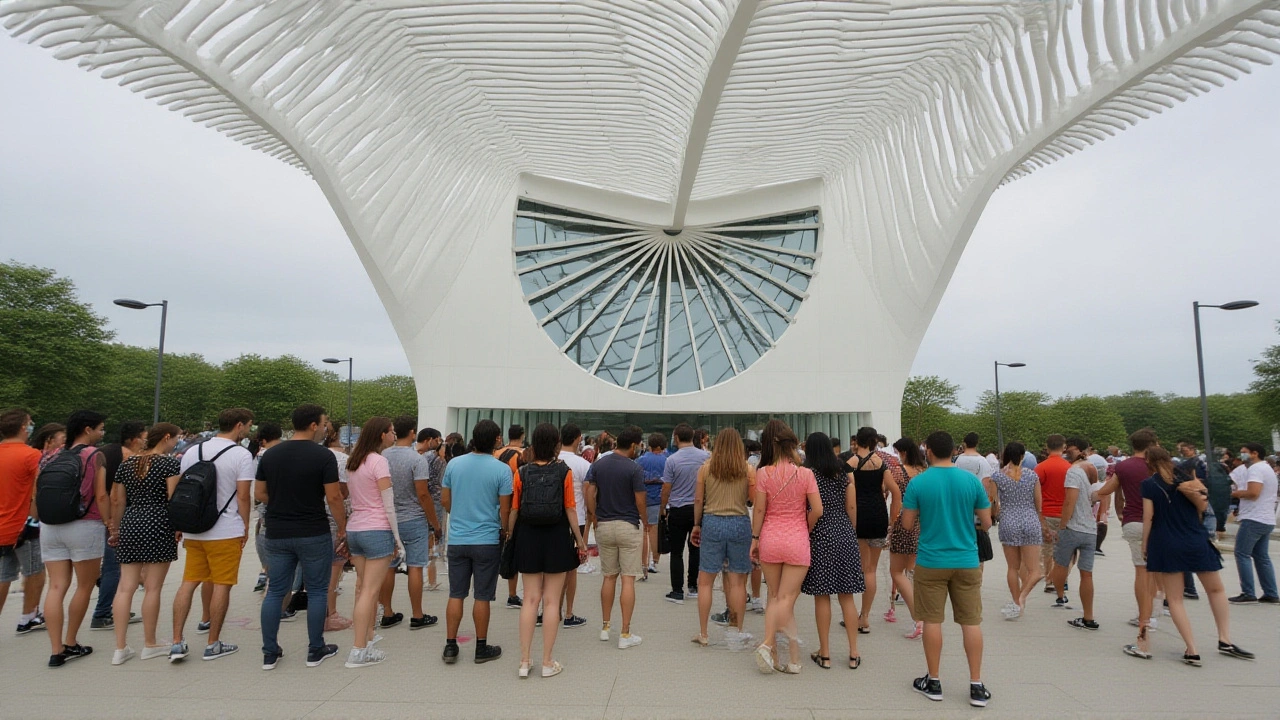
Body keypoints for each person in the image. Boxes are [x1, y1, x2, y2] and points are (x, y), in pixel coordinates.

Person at [1129, 447, 1254, 664]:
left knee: (1175, 599)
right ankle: (1225, 638)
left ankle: (1192, 648)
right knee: (1216, 589)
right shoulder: (1187, 479)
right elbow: (1202, 509)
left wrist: (1145, 544)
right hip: (1194, 538)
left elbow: (1149, 517)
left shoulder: (1149, 484)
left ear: (1148, 463)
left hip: (1166, 540)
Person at [900, 431, 993, 708]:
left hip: (931, 560)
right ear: (954, 451)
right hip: (966, 560)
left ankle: (934, 680)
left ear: (927, 451)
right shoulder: (970, 481)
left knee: (932, 621)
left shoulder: (919, 483)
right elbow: (987, 523)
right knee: (971, 622)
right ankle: (976, 684)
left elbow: (907, 524)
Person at [256, 404, 347, 670]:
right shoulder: (323, 456)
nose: (326, 427)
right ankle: (315, 648)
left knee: (275, 591)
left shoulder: (270, 455)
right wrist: (342, 527)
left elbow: (260, 493)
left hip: (278, 531)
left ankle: (270, 652)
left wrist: (284, 501)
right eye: (325, 423)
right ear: (313, 425)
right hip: (312, 530)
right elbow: (333, 496)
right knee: (318, 590)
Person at [169, 408, 255, 663]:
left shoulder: (193, 451)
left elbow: (179, 488)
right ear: (239, 426)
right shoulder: (241, 455)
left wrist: (179, 523)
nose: (250, 429)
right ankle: (213, 643)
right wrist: (245, 526)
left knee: (189, 582)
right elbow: (242, 496)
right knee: (222, 584)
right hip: (225, 529)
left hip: (194, 528)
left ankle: (176, 642)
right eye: (249, 425)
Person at [509, 423, 588, 677]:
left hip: (528, 537)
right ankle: (546, 661)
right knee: (552, 601)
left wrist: (510, 535)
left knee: (530, 598)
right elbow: (570, 509)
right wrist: (580, 541)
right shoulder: (563, 472)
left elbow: (514, 508)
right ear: (556, 444)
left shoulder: (521, 472)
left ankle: (524, 661)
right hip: (556, 538)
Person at [750, 419, 822, 675]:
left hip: (770, 536)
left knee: (775, 597)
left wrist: (755, 538)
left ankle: (774, 652)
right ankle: (790, 657)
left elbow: (759, 508)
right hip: (797, 539)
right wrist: (804, 525)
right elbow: (818, 509)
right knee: (787, 599)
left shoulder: (763, 473)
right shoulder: (805, 474)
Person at [107, 422, 181, 664]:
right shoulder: (169, 463)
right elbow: (173, 498)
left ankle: (120, 647)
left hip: (131, 521)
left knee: (125, 587)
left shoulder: (126, 465)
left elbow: (116, 499)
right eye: (175, 439)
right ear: (167, 437)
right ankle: (150, 643)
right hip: (159, 521)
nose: (176, 443)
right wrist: (178, 526)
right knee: (153, 587)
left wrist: (115, 528)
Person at [41, 410, 110, 667]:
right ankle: (71, 641)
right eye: (100, 428)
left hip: (50, 526)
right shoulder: (94, 455)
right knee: (84, 586)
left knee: (56, 587)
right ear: (88, 429)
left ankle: (56, 649)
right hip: (84, 525)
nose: (102, 433)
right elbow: (101, 495)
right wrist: (109, 524)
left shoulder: (51, 456)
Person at [441, 420, 512, 665]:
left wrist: (458, 513)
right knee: (482, 595)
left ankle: (450, 645)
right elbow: (505, 509)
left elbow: (445, 500)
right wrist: (505, 529)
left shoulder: (454, 464)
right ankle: (481, 647)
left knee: (456, 593)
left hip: (459, 538)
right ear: (495, 440)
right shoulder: (501, 470)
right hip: (487, 539)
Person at [341, 417, 402, 668]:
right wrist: (397, 538)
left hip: (356, 528)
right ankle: (358, 649)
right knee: (370, 591)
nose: (394, 435)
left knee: (361, 587)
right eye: (391, 431)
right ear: (381, 435)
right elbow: (388, 503)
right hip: (376, 529)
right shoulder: (379, 462)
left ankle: (366, 637)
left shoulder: (354, 462)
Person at [800, 432, 862, 670]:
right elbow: (851, 505)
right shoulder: (843, 473)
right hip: (844, 532)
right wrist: (851, 532)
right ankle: (854, 653)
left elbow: (810, 508)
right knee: (847, 596)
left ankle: (825, 654)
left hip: (820, 535)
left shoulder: (809, 474)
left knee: (822, 595)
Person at [690, 428, 755, 647]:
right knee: (737, 582)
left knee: (705, 581)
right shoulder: (747, 469)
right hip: (739, 522)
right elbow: (752, 500)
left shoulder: (705, 469)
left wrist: (696, 525)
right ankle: (736, 631)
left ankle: (703, 632)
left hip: (712, 521)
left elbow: (699, 500)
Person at [585, 427, 645, 649]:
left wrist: (594, 515)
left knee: (608, 576)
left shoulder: (599, 465)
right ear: (632, 446)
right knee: (628, 578)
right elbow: (640, 500)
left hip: (605, 524)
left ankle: (605, 626)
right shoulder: (634, 468)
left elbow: (590, 492)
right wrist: (645, 520)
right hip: (627, 524)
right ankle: (625, 633)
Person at [1095, 429, 1160, 632]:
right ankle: (1154, 611)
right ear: (1152, 444)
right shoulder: (1160, 466)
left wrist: (1089, 496)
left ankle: (1143, 616)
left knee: (1141, 571)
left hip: (1134, 521)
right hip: (1161, 522)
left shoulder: (1124, 466)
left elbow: (1106, 490)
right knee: (1155, 571)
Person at [384, 415, 442, 630]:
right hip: (414, 518)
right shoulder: (417, 459)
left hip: (390, 518)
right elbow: (423, 494)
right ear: (412, 432)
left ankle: (387, 612)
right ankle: (417, 615)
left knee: (389, 566)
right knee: (416, 566)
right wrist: (435, 524)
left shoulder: (383, 456)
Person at [846, 426, 901, 633]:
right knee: (871, 570)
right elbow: (895, 492)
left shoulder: (850, 464)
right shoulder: (882, 464)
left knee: (860, 568)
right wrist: (893, 519)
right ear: (874, 442)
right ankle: (865, 616)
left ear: (857, 441)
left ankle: (854, 614)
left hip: (857, 518)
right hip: (878, 516)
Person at [91, 420, 146, 631]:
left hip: (99, 516)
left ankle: (112, 608)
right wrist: (115, 524)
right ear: (134, 439)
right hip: (115, 517)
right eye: (144, 437)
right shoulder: (128, 458)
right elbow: (116, 496)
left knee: (114, 567)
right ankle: (103, 612)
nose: (145, 441)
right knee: (114, 568)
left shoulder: (105, 452)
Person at [0, 409, 46, 636]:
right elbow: (39, 489)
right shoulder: (31, 456)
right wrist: (33, 520)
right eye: (29, 423)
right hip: (22, 525)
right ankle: (29, 616)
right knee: (35, 571)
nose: (31, 426)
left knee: (4, 575)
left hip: (2, 525)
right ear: (21, 427)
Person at [990, 442, 1043, 620]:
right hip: (1029, 519)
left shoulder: (997, 476)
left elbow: (993, 502)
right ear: (1022, 456)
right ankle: (1022, 597)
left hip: (1009, 520)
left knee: (1012, 567)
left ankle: (1016, 602)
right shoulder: (1032, 475)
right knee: (1034, 570)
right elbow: (1038, 502)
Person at [660, 423, 709, 604]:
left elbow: (666, 487)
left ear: (677, 438)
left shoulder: (672, 460)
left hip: (678, 508)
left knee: (677, 551)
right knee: (695, 548)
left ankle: (677, 590)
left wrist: (662, 508)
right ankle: (693, 586)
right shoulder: (705, 457)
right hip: (699, 508)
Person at [1054, 438, 1100, 630]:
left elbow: (1069, 501)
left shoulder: (1073, 472)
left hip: (1073, 527)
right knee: (1086, 574)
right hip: (1090, 529)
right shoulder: (1091, 469)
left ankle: (1060, 595)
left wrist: (1062, 525)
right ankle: (1088, 616)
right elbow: (1096, 495)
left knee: (1061, 564)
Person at [1228, 442, 1278, 604]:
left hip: (1254, 517)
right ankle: (1271, 592)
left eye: (1244, 452)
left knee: (1242, 553)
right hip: (1266, 518)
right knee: (1261, 556)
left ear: (1254, 453)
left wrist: (1234, 494)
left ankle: (1248, 592)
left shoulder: (1256, 469)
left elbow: (1253, 492)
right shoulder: (1267, 468)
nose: (1241, 455)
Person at [889, 438, 925, 639]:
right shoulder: (924, 471)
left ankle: (917, 617)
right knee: (910, 570)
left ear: (902, 451)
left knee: (896, 572)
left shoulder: (898, 472)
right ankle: (919, 615)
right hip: (921, 522)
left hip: (904, 520)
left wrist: (892, 524)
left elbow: (895, 499)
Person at [555, 423, 590, 627]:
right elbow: (588, 494)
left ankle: (549, 609)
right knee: (571, 568)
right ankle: (568, 613)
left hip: (551, 518)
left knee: (551, 568)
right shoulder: (582, 464)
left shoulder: (553, 459)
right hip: (577, 518)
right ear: (578, 438)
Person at [1034, 435, 1071, 600]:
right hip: (1065, 514)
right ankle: (1062, 579)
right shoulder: (1070, 468)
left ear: (1047, 448)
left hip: (1046, 513)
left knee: (1047, 549)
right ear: (1064, 447)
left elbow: (1034, 493)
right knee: (1063, 549)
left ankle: (1049, 580)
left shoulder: (1041, 468)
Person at [1175, 441, 1212, 599]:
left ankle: (1189, 587)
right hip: (1194, 519)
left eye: (1184, 449)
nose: (1182, 452)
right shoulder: (1198, 465)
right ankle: (1189, 587)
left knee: (1184, 551)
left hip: (1188, 520)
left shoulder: (1194, 466)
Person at [498, 425, 526, 609]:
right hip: (517, 503)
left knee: (506, 549)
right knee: (516, 549)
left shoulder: (497, 453)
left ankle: (510, 592)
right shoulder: (523, 455)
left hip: (498, 503)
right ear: (522, 436)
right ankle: (516, 593)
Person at [417, 427, 446, 591]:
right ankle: (431, 579)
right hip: (435, 500)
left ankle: (430, 578)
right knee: (435, 537)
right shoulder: (437, 460)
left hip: (423, 501)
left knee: (428, 537)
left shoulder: (421, 457)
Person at [637, 433, 667, 576]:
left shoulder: (640, 460)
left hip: (642, 497)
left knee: (644, 530)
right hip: (659, 499)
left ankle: (643, 560)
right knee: (655, 530)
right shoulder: (667, 460)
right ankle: (654, 561)